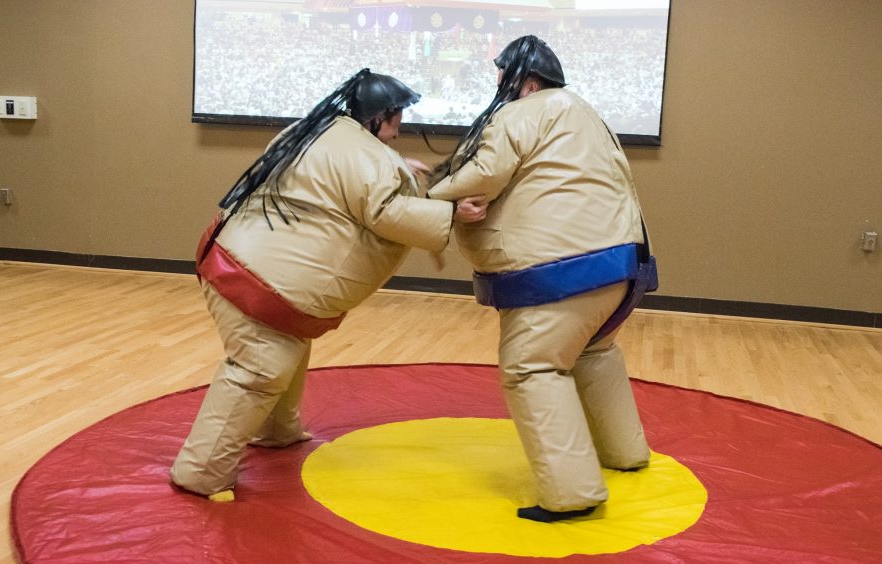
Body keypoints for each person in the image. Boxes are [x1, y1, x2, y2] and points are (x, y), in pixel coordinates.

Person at [171, 69, 487, 502]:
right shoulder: (365, 155)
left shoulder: (315, 130)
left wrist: (402, 173)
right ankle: (200, 471)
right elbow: (385, 211)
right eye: (396, 121)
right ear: (379, 116)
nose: (398, 133)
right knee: (261, 367)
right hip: (260, 278)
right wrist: (451, 214)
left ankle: (277, 430)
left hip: (241, 259)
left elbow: (344, 184)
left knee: (285, 348)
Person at [427, 36, 658, 522]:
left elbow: (484, 175)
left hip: (561, 274)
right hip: (622, 267)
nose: (500, 94)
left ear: (528, 84)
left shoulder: (520, 113)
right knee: (594, 353)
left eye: (505, 84)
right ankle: (625, 450)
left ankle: (572, 493)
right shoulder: (589, 115)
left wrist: (429, 195)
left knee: (530, 366)